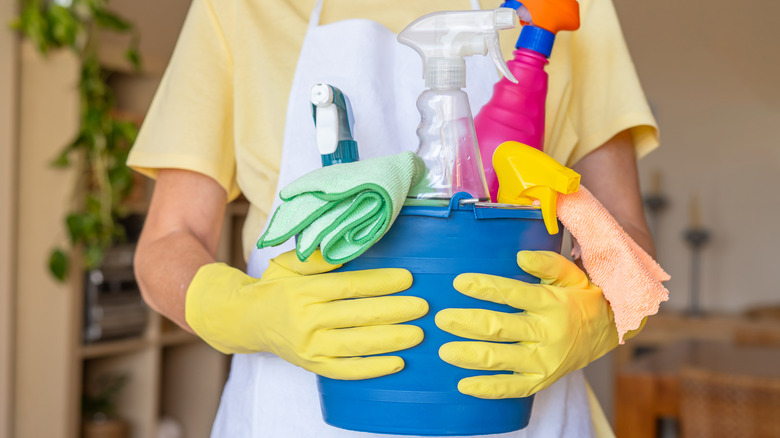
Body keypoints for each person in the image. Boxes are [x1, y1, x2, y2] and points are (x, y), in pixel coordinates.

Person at [128, 0, 658, 436]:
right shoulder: (237, 8)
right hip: (291, 416)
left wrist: (599, 316)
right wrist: (245, 310)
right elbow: (169, 241)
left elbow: (626, 233)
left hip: (519, 412)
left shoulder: (566, 8)